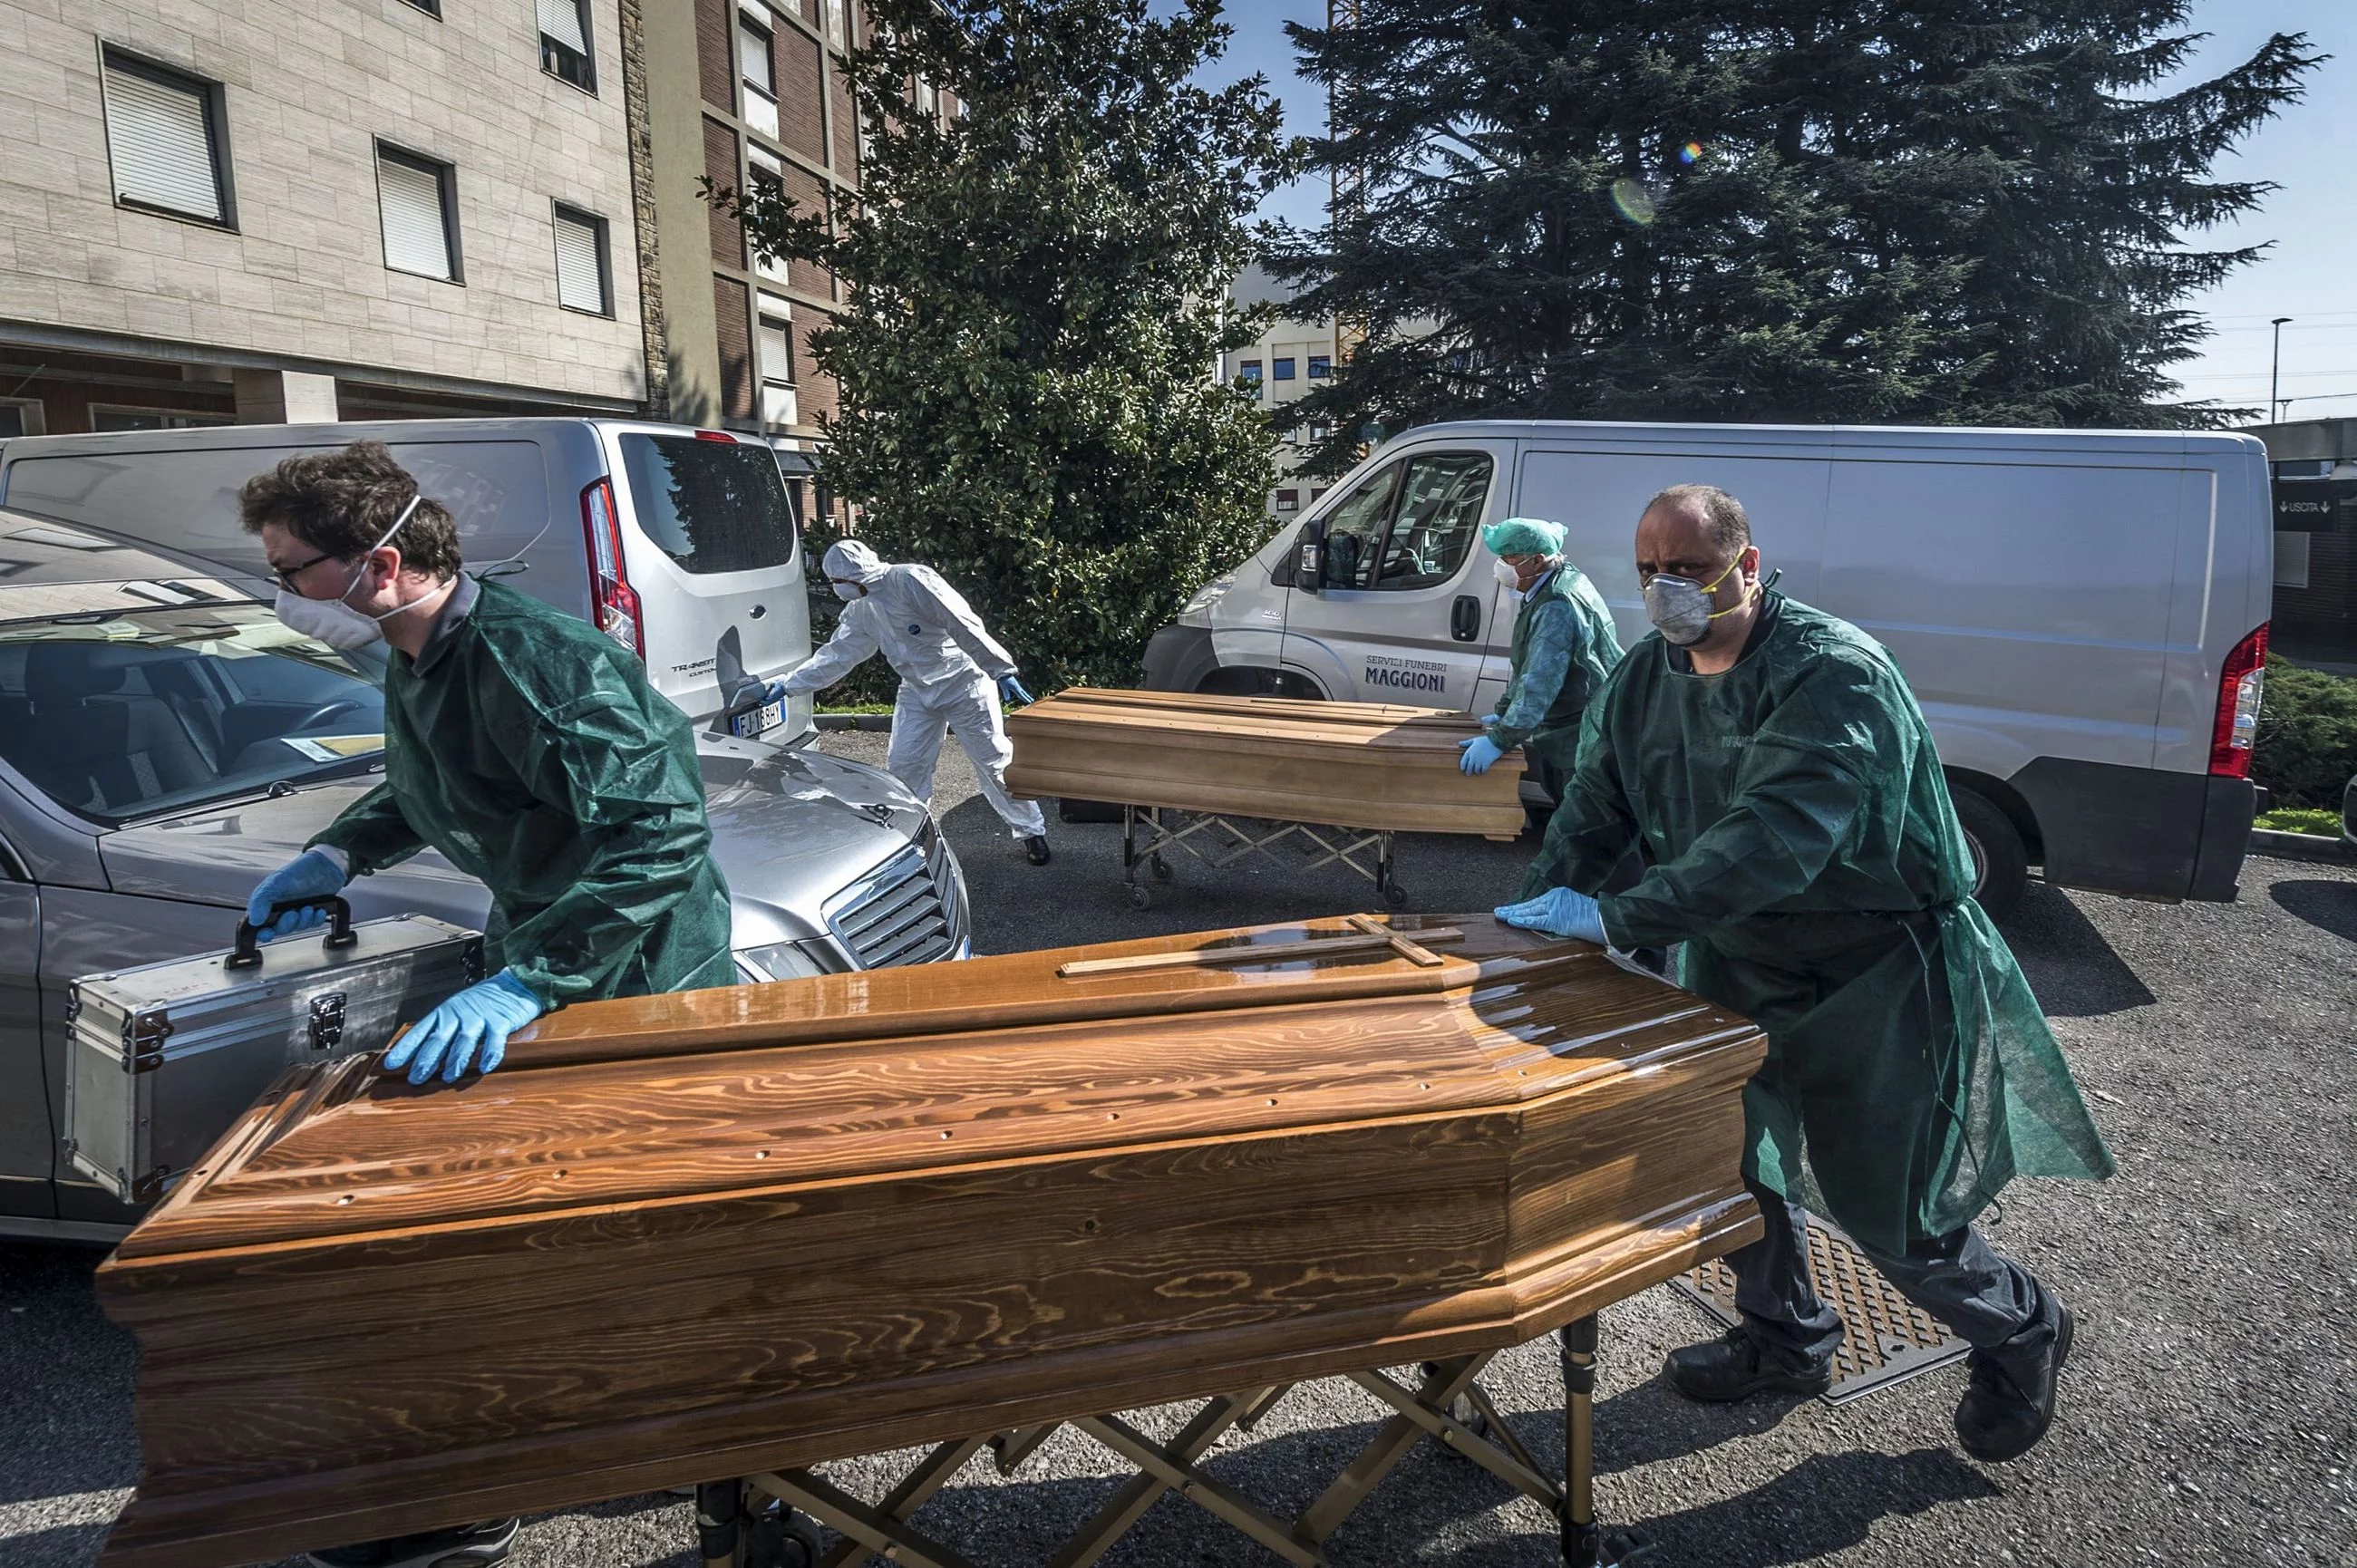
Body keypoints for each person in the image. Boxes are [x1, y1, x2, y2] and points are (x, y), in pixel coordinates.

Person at [1498, 483, 2113, 1464]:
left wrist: (1616, 915)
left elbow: (1776, 835)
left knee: (1890, 1202)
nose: (1664, 588)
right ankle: (1783, 1335)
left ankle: (2019, 1324)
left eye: (1688, 568)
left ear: (1746, 565)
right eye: (1648, 568)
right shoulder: (1647, 674)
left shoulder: (1832, 674)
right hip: (1737, 950)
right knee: (1733, 1158)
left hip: (1872, 965)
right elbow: (1595, 803)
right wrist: (1536, 912)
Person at [239, 442, 735, 1568]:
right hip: (550, 943)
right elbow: (438, 779)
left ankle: (674, 1433)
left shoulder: (533, 661)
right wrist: (339, 851)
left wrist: (530, 979)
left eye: (293, 570)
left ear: (380, 562)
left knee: (621, 1217)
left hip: (633, 967)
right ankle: (568, 1439)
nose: (282, 593)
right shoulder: (422, 655)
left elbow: (661, 832)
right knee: (548, 1216)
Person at [742, 538, 1051, 864]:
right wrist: (790, 685)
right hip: (917, 690)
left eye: (837, 582)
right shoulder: (862, 609)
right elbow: (838, 655)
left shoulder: (910, 580)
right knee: (905, 767)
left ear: (854, 575)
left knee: (994, 763)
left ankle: (1032, 832)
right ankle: (911, 838)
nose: (836, 588)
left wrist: (1000, 669)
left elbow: (960, 621)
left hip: (964, 684)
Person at [1457, 518, 1625, 805]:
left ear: (1537, 560)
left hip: (1579, 737)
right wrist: (1506, 709)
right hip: (1582, 728)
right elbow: (1531, 661)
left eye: (1511, 558)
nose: (1503, 566)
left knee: (1586, 830)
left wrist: (1501, 739)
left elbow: (1540, 680)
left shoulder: (1556, 604)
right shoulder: (1558, 581)